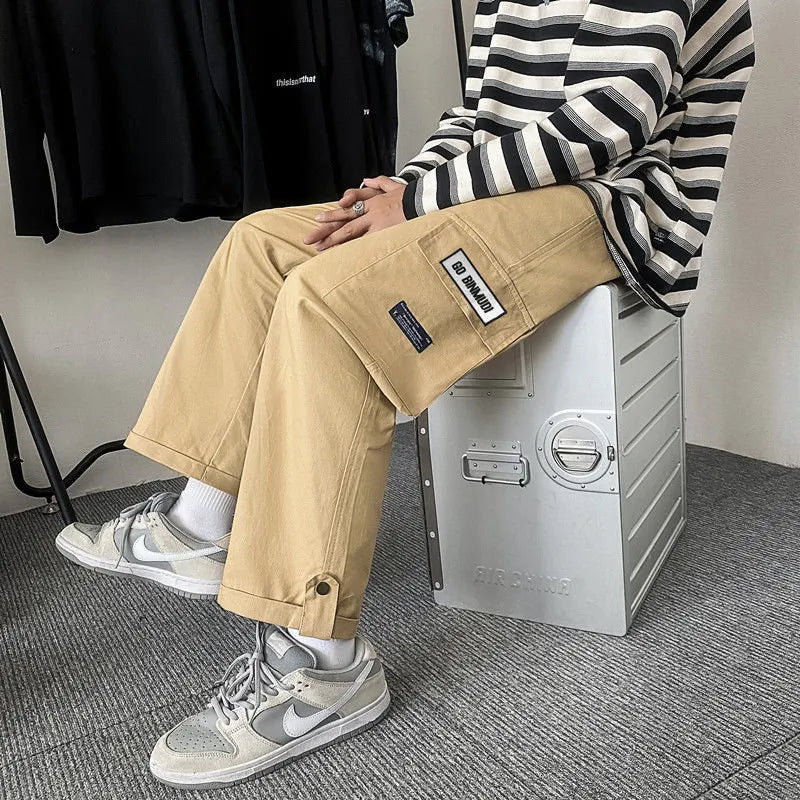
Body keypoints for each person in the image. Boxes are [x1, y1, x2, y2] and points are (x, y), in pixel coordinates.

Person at [55, 0, 754, 789]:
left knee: (331, 303)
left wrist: (418, 206)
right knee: (263, 246)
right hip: (507, 191)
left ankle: (322, 666)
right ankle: (200, 524)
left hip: (612, 205)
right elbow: (482, 112)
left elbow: (609, 122)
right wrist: (403, 191)